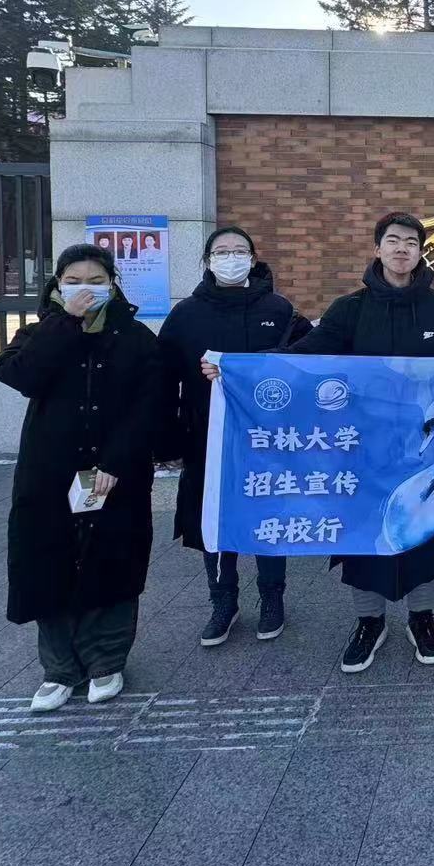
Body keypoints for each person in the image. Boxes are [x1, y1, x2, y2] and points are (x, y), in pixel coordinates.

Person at [289, 212, 434, 673]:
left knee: (425, 532)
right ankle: (369, 621)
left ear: (420, 252)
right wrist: (235, 365)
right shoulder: (349, 310)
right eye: (393, 240)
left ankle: (422, 617)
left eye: (411, 242)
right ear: (377, 249)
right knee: (364, 533)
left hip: (424, 449)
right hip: (362, 449)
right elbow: (302, 356)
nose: (402, 248)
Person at [0, 243, 162, 713]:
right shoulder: (38, 334)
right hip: (49, 474)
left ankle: (106, 660)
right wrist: (65, 323)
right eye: (73, 281)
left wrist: (116, 463)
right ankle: (60, 668)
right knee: (48, 564)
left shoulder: (136, 338)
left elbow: (150, 407)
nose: (85, 289)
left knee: (113, 563)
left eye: (95, 281)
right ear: (57, 285)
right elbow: (20, 375)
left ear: (113, 284)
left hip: (114, 476)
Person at [158, 225, 312, 648]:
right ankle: (223, 600)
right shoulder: (186, 314)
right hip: (205, 436)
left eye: (239, 251)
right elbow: (161, 379)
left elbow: (304, 361)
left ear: (253, 258)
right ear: (208, 261)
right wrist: (168, 440)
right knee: (214, 516)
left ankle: (272, 597)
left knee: (269, 514)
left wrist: (254, 365)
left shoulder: (278, 309)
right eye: (221, 251)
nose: (230, 258)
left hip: (267, 439)